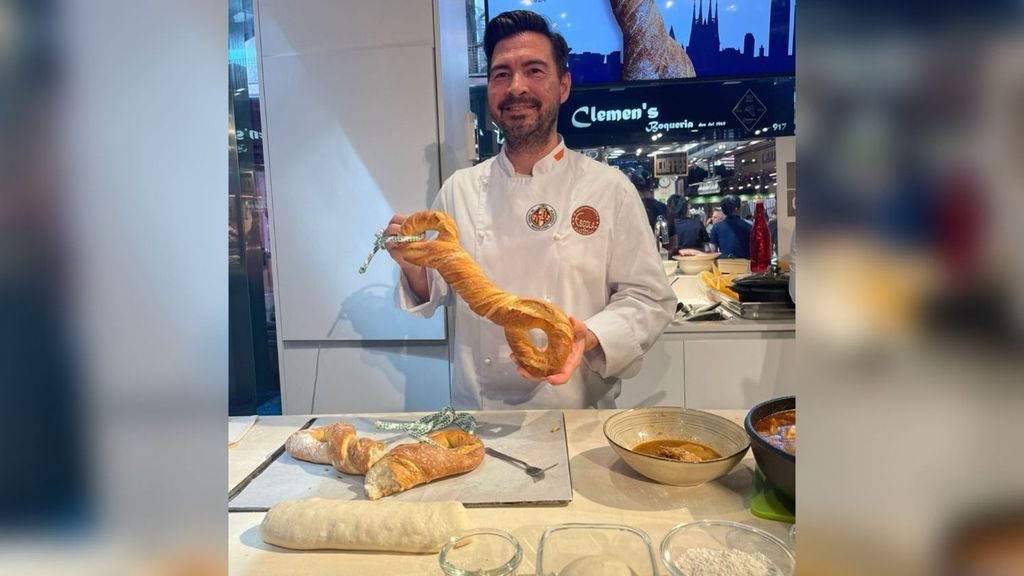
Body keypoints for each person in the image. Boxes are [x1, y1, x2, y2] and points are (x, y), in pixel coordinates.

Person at [383, 10, 675, 410]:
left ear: (564, 86)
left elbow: (649, 299)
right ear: (489, 90)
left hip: (576, 415)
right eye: (501, 74)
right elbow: (436, 291)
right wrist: (413, 266)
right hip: (479, 417)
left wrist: (588, 335)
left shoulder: (609, 189)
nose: (516, 87)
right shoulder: (459, 190)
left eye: (534, 70)